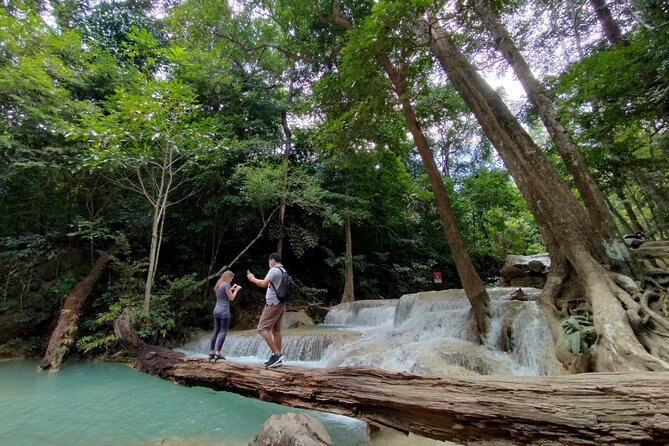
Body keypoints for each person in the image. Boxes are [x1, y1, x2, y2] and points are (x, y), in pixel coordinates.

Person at [246, 252, 287, 368]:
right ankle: (278, 359)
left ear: (272, 260)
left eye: (269, 261)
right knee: (276, 331)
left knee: (262, 328)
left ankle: (277, 355)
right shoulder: (283, 270)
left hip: (273, 303)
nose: (269, 263)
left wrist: (252, 279)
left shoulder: (274, 270)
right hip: (281, 303)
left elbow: (264, 284)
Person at [208, 270, 241, 361]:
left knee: (216, 330)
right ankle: (218, 353)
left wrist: (232, 288)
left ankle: (211, 352)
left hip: (216, 310)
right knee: (223, 331)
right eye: (231, 278)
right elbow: (231, 298)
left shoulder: (218, 284)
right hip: (224, 311)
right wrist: (237, 290)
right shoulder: (226, 285)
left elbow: (223, 295)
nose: (231, 280)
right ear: (228, 277)